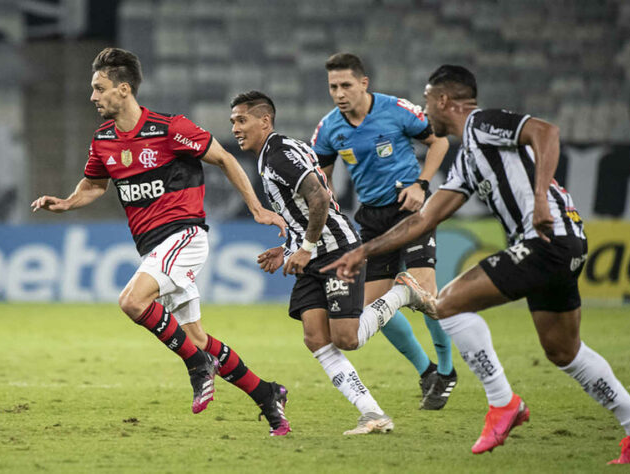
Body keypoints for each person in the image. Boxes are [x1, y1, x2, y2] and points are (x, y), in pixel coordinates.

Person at [322, 65, 630, 463]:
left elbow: (546, 132)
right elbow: (425, 219)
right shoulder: (468, 161)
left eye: (428, 101)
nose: (425, 111)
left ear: (444, 101)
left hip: (546, 239)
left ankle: (502, 403)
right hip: (567, 244)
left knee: (449, 303)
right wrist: (364, 251)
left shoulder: (481, 123)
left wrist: (542, 199)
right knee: (563, 351)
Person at [31, 47, 292, 436]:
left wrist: (256, 208)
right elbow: (94, 185)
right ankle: (268, 395)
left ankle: (196, 366)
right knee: (197, 337)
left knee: (132, 301)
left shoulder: (170, 129)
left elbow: (225, 159)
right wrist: (68, 202)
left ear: (123, 89)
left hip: (184, 235)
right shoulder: (103, 140)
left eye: (99, 88)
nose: (92, 97)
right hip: (154, 247)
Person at [230, 90, 415, 435]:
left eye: (242, 120)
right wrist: (289, 249)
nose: (236, 128)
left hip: (335, 251)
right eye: (233, 122)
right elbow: (306, 209)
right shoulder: (274, 153)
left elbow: (318, 198)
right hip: (312, 254)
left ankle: (402, 291)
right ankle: (372, 413)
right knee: (316, 337)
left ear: (264, 120)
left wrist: (306, 247)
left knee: (346, 338)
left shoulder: (279, 155)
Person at [311, 53, 456, 409]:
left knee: (425, 294)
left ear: (364, 83)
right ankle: (428, 373)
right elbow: (320, 180)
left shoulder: (396, 109)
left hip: (412, 209)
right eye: (333, 87)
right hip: (372, 219)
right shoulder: (329, 128)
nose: (340, 93)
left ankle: (448, 371)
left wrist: (421, 184)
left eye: (346, 85)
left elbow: (440, 141)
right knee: (373, 310)